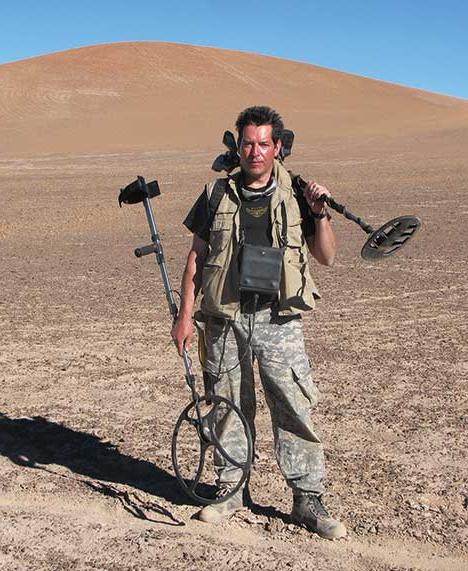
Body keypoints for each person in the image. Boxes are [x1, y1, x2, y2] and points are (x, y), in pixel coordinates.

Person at [171, 106, 346, 540]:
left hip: (278, 318)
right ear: (239, 146)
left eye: (264, 144)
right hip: (224, 316)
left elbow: (326, 256)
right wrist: (184, 316)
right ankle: (230, 490)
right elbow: (196, 257)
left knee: (293, 406)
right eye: (248, 143)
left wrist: (320, 212)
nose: (255, 152)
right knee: (227, 405)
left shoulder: (298, 193)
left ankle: (307, 498)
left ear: (277, 147)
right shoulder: (216, 194)